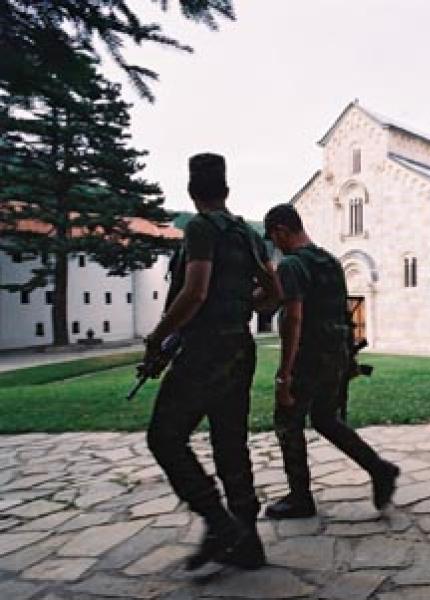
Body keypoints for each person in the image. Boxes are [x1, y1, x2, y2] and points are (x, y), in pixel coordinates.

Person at [144, 153, 282, 571]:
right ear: (226, 189)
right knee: (230, 445)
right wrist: (241, 304)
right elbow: (273, 293)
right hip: (240, 349)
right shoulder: (247, 235)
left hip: (205, 352)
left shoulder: (201, 228)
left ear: (191, 190)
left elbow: (195, 291)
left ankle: (220, 524)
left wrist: (157, 338)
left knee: (165, 437)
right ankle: (247, 544)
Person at [263, 203, 400, 519]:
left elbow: (293, 319)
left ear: (281, 231)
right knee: (325, 419)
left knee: (287, 421)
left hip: (309, 358)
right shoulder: (330, 261)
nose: (276, 247)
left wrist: (284, 373)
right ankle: (379, 469)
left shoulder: (293, 266)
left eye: (274, 239)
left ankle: (300, 497)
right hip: (335, 355)